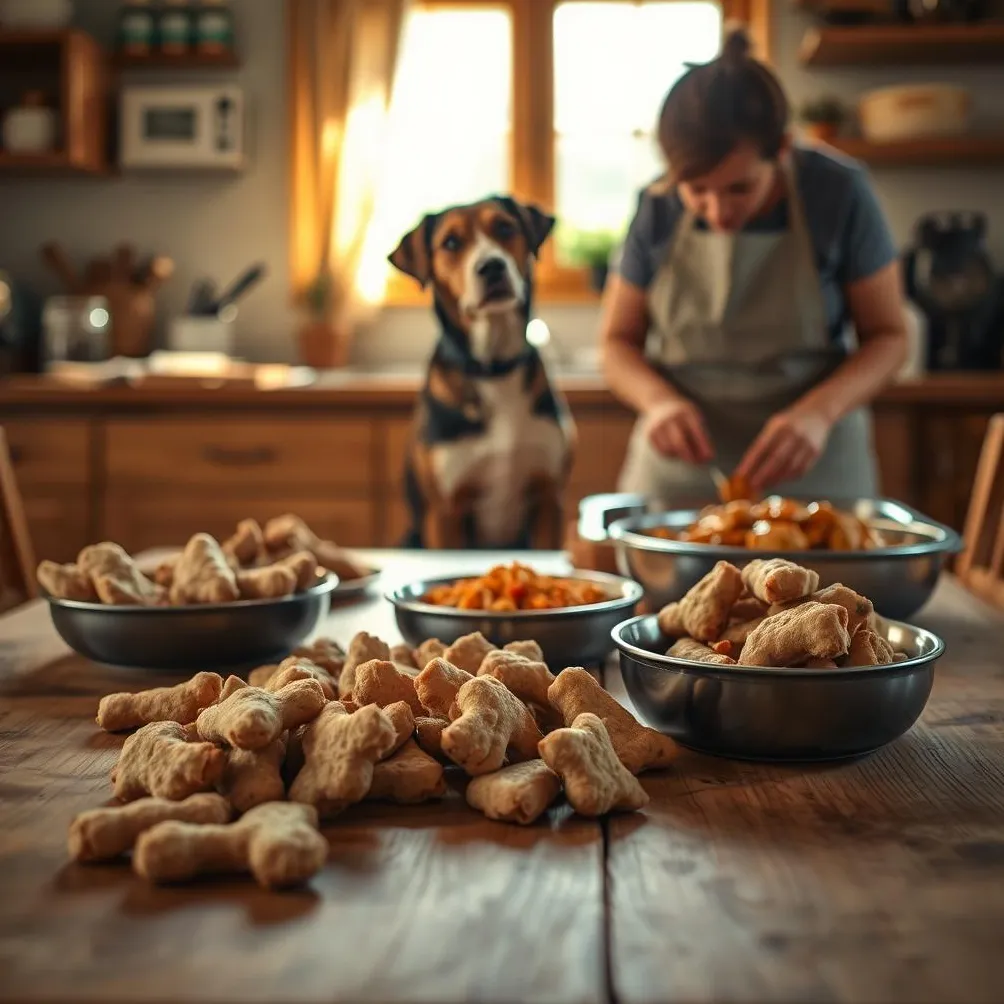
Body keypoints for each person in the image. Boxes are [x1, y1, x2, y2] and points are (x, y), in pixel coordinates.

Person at [601, 27, 908, 504]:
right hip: (683, 479)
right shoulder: (657, 205)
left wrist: (819, 412)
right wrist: (657, 402)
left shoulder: (838, 193)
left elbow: (890, 337)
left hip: (814, 469)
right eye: (697, 191)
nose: (719, 212)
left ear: (782, 150)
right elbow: (616, 342)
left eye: (739, 188)